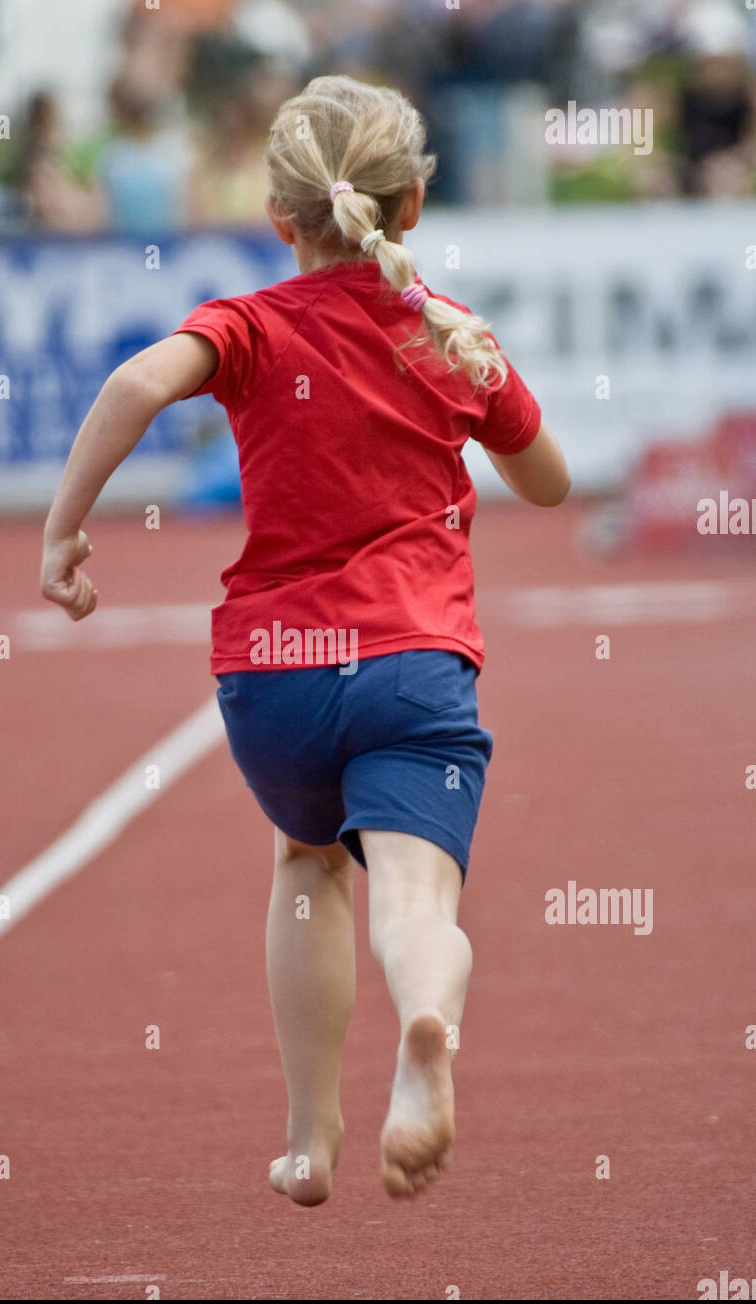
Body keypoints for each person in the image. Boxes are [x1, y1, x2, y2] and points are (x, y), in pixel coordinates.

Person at [40, 75, 570, 1206]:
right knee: (415, 907)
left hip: (268, 677)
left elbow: (138, 381)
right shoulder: (450, 335)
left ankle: (309, 1137)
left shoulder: (246, 324)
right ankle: (426, 1024)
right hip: (413, 663)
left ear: (279, 217)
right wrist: (476, 408)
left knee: (303, 859)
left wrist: (64, 529)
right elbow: (552, 483)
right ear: (412, 204)